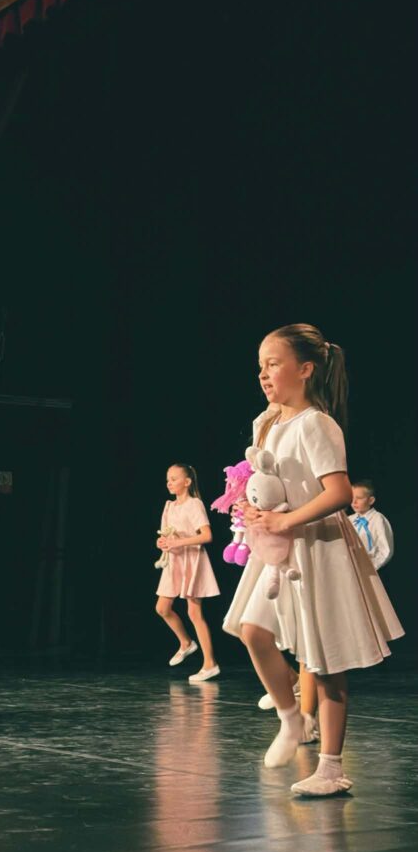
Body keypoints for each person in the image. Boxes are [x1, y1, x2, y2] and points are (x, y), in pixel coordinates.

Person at [223, 324, 403, 796]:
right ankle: (292, 719)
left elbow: (338, 492)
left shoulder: (316, 424)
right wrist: (253, 508)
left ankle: (331, 767)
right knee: (252, 630)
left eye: (273, 364)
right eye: (260, 366)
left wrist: (287, 519)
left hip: (318, 547)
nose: (263, 374)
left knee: (325, 659)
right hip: (278, 547)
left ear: (305, 370)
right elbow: (267, 481)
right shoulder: (267, 422)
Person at [155, 463, 221, 682]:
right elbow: (166, 535)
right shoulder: (169, 506)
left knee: (194, 613)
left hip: (192, 560)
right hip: (174, 561)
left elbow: (206, 536)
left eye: (174, 479)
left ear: (187, 481)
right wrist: (163, 542)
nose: (169, 483)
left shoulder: (194, 504)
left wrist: (179, 542)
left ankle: (210, 664)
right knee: (162, 608)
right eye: (168, 479)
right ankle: (186, 642)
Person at [349, 480, 394, 570]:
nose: (354, 502)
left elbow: (385, 550)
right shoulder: (349, 519)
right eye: (352, 498)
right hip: (351, 567)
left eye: (359, 498)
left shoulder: (378, 519)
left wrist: (371, 567)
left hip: (370, 568)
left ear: (371, 500)